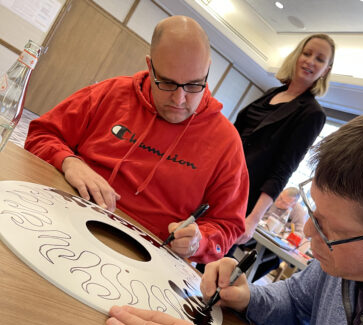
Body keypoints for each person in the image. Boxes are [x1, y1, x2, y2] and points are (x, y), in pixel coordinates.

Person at [106, 107, 363, 325]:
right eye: (315, 212)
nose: (309, 232)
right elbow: (296, 302)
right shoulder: (341, 266)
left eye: (329, 229)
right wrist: (247, 298)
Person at [24, 16, 249, 264]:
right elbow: (41, 134)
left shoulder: (227, 143)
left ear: (207, 72)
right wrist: (69, 162)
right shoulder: (112, 93)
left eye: (194, 85)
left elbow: (229, 225)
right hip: (68, 215)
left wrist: (200, 240)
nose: (179, 99)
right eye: (167, 83)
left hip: (149, 257)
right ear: (150, 66)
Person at [235, 33, 335, 246]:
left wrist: (253, 219)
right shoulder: (272, 93)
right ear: (297, 55)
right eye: (307, 53)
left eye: (320, 59)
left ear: (326, 70)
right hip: (219, 178)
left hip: (242, 196)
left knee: (207, 265)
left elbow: (283, 170)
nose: (310, 61)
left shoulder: (312, 113)